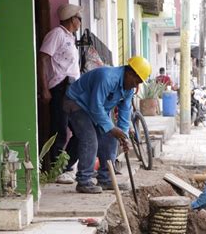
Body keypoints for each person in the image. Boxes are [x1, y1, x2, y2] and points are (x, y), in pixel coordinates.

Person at [63, 56, 151, 194]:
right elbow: (95, 106)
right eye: (136, 81)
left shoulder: (128, 89)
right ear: (129, 73)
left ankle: (106, 178)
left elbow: (124, 112)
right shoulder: (107, 78)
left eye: (139, 83)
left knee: (111, 137)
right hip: (76, 103)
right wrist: (111, 128)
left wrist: (123, 135)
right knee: (90, 139)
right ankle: (84, 181)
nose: (136, 85)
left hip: (96, 109)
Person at [38, 3, 82, 184]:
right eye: (79, 18)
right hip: (61, 86)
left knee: (80, 130)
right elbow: (42, 58)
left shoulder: (70, 37)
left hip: (73, 88)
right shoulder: (56, 34)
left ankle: (65, 167)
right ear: (72, 19)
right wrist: (45, 88)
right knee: (60, 130)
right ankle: (56, 170)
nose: (80, 22)